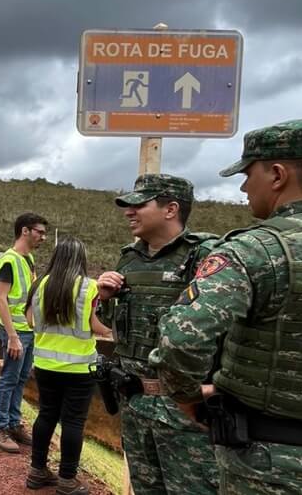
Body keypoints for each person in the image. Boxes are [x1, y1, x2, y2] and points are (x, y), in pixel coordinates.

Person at [150, 120, 302, 494]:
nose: (243, 186)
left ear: (278, 175)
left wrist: (187, 398)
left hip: (270, 463)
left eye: (248, 174)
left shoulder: (255, 251)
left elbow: (182, 340)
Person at [95, 175, 220, 494]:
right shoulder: (129, 259)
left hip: (184, 410)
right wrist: (106, 299)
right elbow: (115, 326)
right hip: (135, 405)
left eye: (140, 204)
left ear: (171, 209)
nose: (129, 212)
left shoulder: (204, 255)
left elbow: (222, 328)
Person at [25, 237, 108, 495]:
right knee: (73, 422)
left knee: (46, 415)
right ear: (81, 259)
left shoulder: (40, 285)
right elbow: (98, 327)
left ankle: (37, 471)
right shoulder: (90, 287)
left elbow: (29, 321)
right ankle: (67, 480)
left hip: (45, 366)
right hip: (79, 369)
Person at [0, 212, 48, 453]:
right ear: (25, 231)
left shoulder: (28, 258)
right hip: (15, 331)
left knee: (21, 378)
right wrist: (13, 336)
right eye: (40, 232)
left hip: (28, 330)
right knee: (9, 378)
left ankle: (14, 423)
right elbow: (1, 299)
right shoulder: (9, 260)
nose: (43, 237)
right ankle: (1, 427)